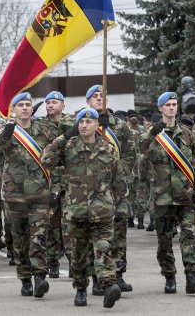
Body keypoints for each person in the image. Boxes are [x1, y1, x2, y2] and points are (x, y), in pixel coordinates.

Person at [41, 107, 125, 308]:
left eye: (89, 122)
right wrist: (63, 137)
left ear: (97, 125)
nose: (84, 125)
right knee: (78, 254)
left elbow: (118, 181)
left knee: (103, 249)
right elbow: (46, 159)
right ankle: (80, 289)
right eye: (81, 122)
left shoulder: (108, 149)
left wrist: (121, 206)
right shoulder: (68, 147)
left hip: (102, 211)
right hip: (76, 211)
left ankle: (108, 286)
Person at [139, 92, 195, 295]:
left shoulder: (187, 133)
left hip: (185, 195)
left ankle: (192, 276)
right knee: (165, 240)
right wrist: (151, 134)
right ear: (160, 108)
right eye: (167, 105)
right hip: (162, 196)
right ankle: (169, 276)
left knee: (189, 235)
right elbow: (140, 150)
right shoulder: (153, 134)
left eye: (174, 104)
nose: (171, 108)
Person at [0, 92, 55, 298]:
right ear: (14, 110)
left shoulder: (44, 131)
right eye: (21, 105)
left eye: (28, 104)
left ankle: (40, 277)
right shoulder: (8, 132)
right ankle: (25, 278)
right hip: (14, 195)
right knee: (19, 240)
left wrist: (56, 189)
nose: (26, 108)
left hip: (39, 195)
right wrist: (7, 132)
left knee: (39, 237)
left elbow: (56, 158)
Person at [85, 85, 135, 294]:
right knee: (95, 234)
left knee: (119, 232)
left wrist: (118, 176)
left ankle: (118, 275)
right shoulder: (83, 124)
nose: (99, 99)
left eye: (102, 96)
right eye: (94, 97)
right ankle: (97, 277)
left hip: (116, 189)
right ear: (88, 102)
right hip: (92, 190)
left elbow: (129, 154)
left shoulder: (120, 125)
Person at [36, 91, 74, 279]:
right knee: (51, 223)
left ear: (63, 106)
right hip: (49, 180)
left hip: (71, 181)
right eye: (48, 102)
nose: (51, 105)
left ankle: (73, 260)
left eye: (55, 102)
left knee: (70, 224)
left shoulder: (73, 123)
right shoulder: (40, 126)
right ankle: (52, 261)